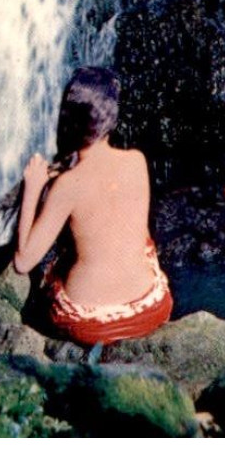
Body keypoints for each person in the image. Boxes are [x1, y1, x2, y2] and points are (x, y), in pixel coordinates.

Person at [13, 66, 173, 346]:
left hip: (89, 324)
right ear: (111, 118)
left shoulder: (68, 185)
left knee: (55, 268)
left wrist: (33, 189)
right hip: (149, 310)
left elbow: (23, 261)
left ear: (69, 120)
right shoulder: (137, 161)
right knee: (142, 242)